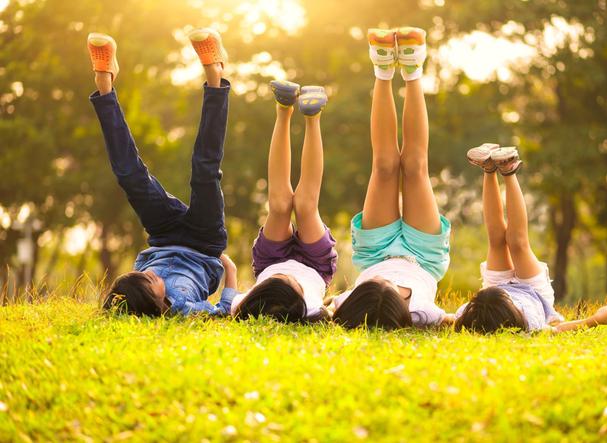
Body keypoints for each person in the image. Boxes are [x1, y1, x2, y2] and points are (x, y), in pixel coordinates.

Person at [90, 28, 238, 316]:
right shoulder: (183, 309)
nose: (146, 275)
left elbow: (123, 299)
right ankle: (215, 77)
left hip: (163, 234)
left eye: (141, 276)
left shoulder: (128, 299)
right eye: (147, 280)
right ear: (154, 302)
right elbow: (224, 310)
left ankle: (104, 84)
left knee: (129, 177)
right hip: (205, 242)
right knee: (204, 171)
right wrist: (229, 268)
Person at [330, 27, 452, 330]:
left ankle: (383, 70)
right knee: (414, 166)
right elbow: (459, 318)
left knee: (384, 166)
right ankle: (412, 70)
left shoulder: (347, 304)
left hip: (374, 253)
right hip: (423, 256)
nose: (386, 283)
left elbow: (315, 308)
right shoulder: (422, 313)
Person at [453, 143, 607, 333]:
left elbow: (445, 318)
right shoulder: (529, 324)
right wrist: (596, 319)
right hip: (533, 292)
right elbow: (559, 330)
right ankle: (508, 170)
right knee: (517, 243)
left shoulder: (469, 316)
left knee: (496, 240)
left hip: (492, 294)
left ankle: (489, 168)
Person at [229, 81, 337, 322]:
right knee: (305, 206)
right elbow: (333, 312)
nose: (287, 279)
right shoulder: (309, 309)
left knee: (279, 206)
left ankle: (283, 107)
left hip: (270, 261)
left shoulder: (245, 306)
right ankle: (313, 115)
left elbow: (226, 303)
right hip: (315, 265)